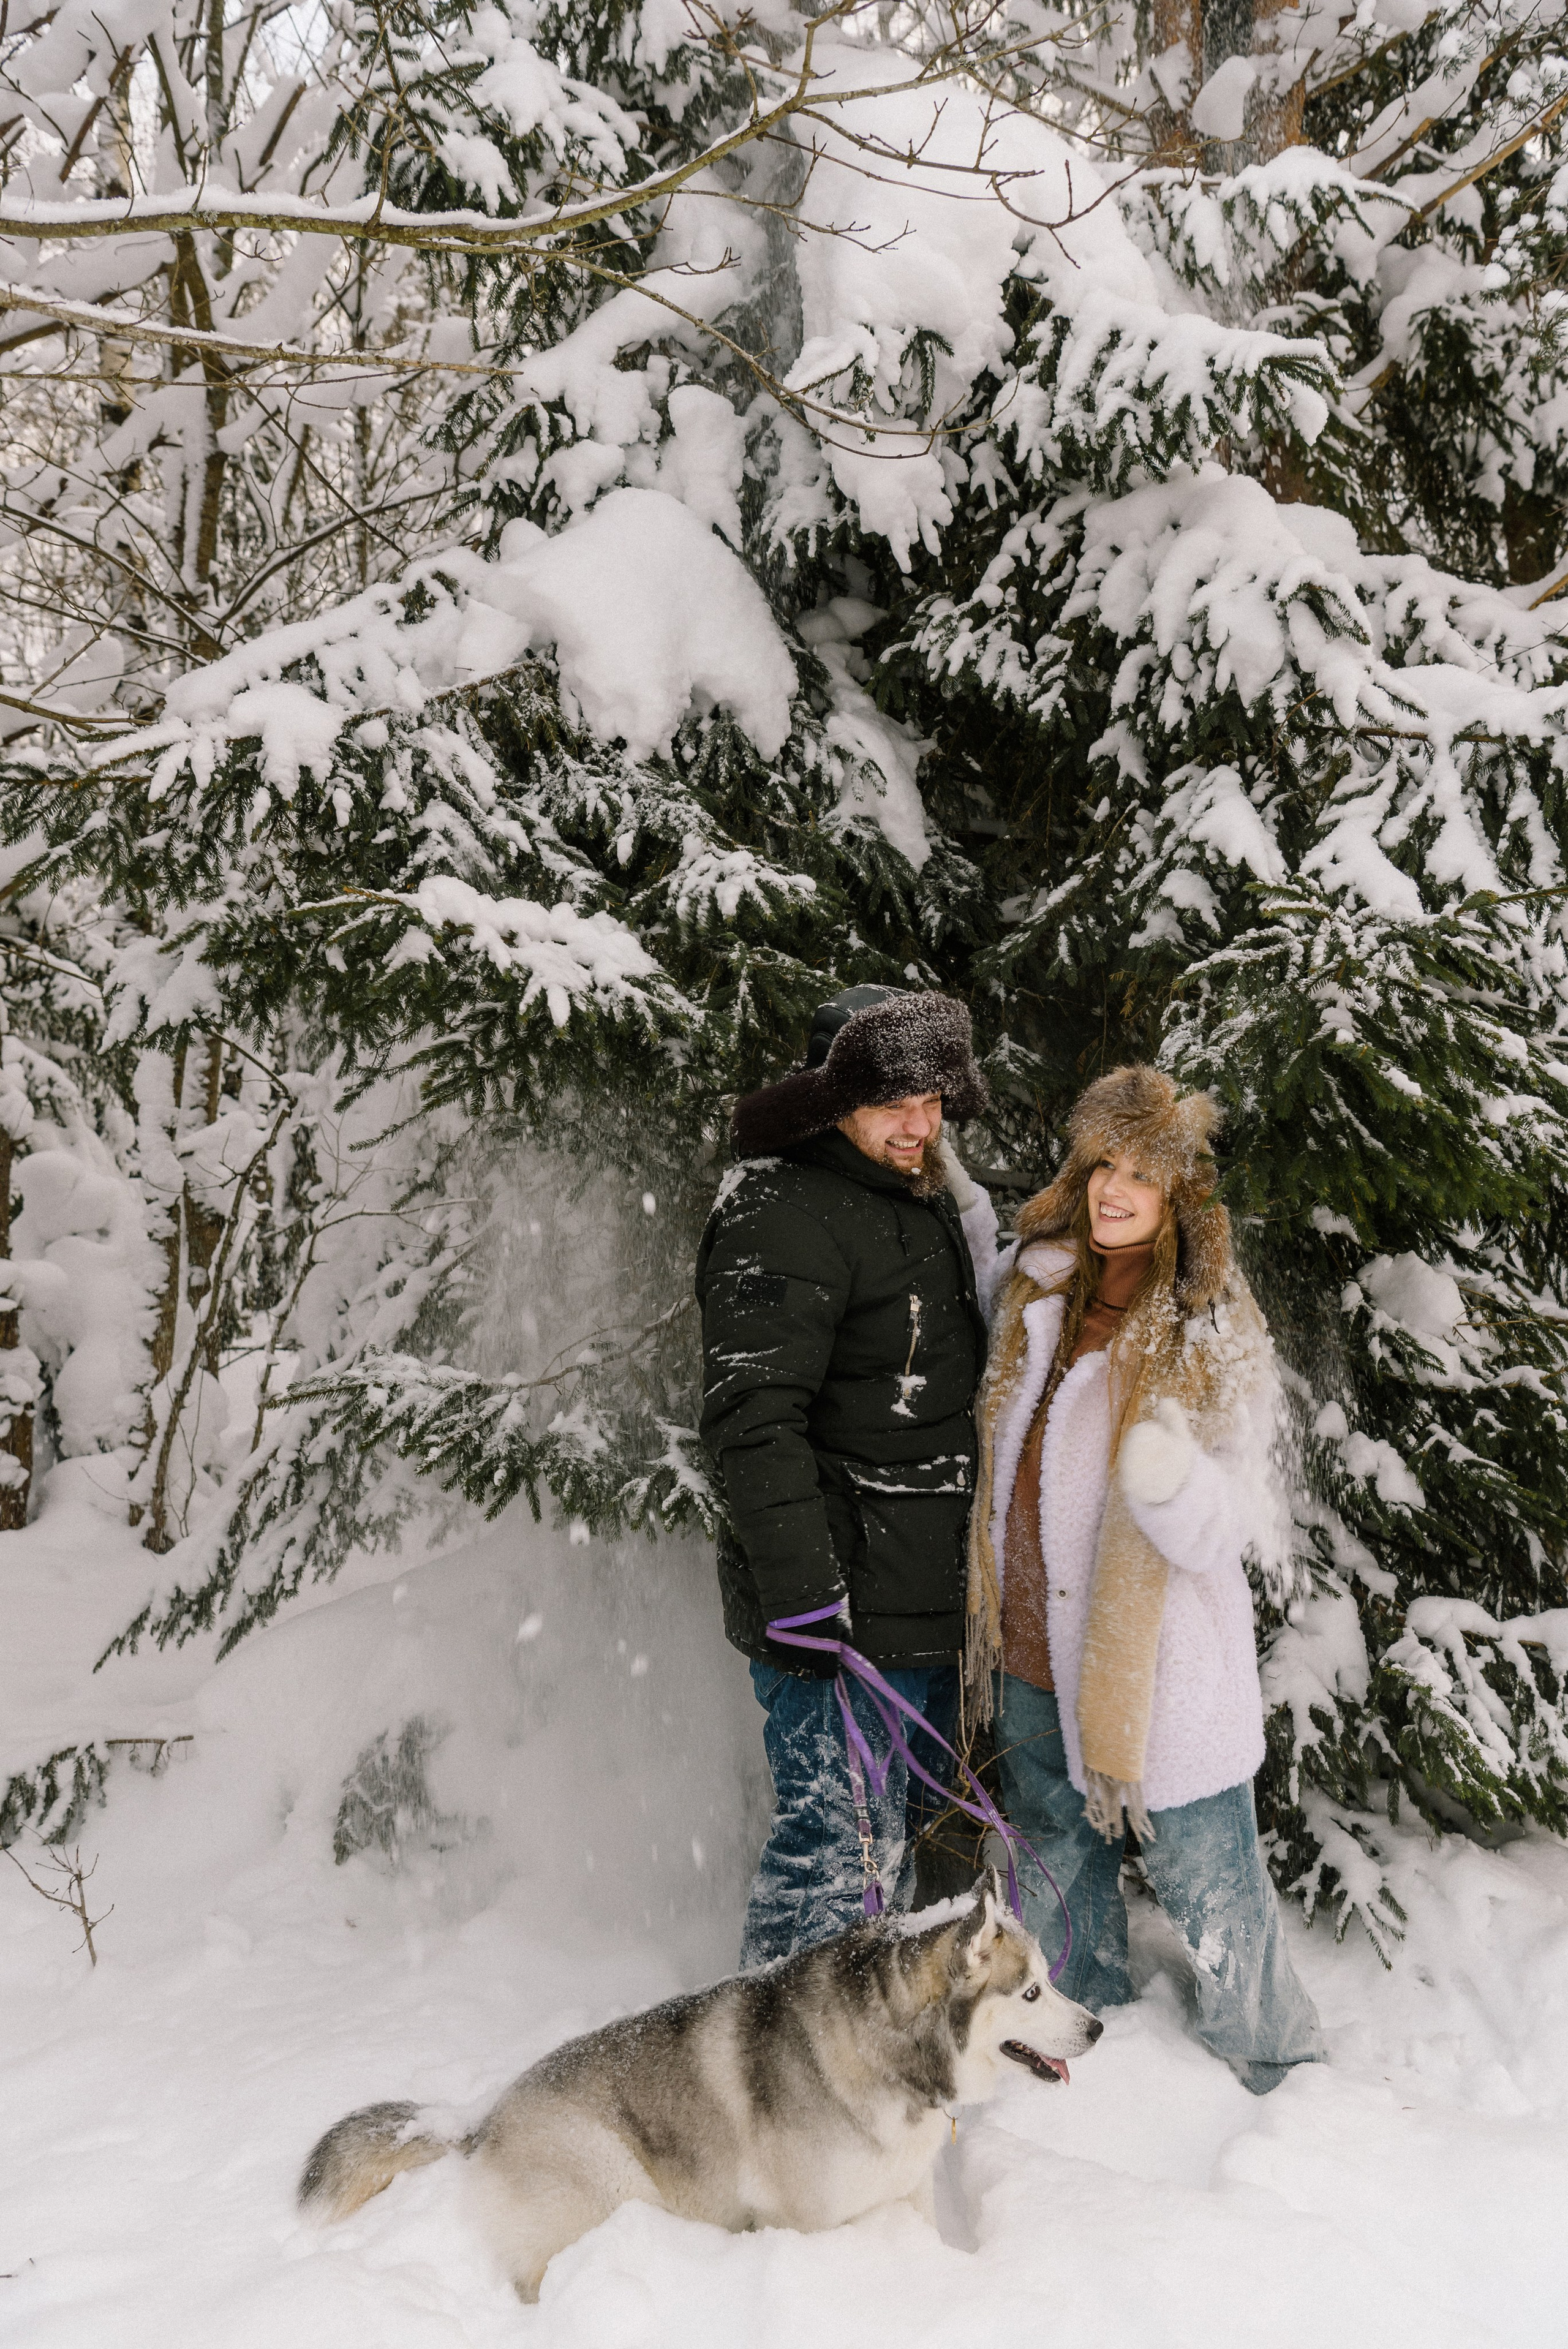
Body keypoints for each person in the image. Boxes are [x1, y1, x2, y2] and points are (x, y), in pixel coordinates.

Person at [967, 1065, 1322, 2093]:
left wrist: (1169, 1485)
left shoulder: (1206, 1320)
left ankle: (1280, 2070)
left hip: (1159, 1682)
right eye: (1103, 1167)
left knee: (1216, 1892)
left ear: (1179, 1199)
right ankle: (1090, 2041)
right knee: (1056, 1864)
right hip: (1032, 1656)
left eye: (1143, 1177)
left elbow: (1234, 1523)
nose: (1114, 1192)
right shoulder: (1037, 1282)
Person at [696, 984, 1000, 1967]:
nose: (921, 1128)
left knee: (935, 1850)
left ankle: (901, 2070)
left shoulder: (918, 1199)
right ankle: (766, 2082)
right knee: (833, 1857)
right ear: (835, 1101)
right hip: (837, 1614)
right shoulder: (778, 1209)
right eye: (894, 1106)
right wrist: (802, 1595)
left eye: (935, 1103)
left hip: (932, 1600)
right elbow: (753, 1417)